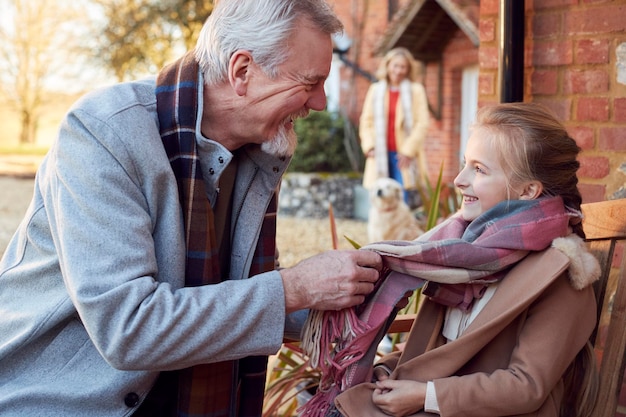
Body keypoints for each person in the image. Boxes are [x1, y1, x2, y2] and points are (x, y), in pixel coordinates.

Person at [0, 1, 383, 416]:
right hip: (55, 402)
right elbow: (128, 330)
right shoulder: (104, 133)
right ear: (242, 71)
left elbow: (231, 295)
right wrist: (295, 288)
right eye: (311, 82)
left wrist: (346, 306)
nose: (321, 102)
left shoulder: (258, 153)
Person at [301, 102, 600, 417]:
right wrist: (390, 370)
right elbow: (448, 353)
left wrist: (426, 395)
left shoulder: (560, 273)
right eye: (464, 164)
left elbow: (526, 386)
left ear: (528, 190)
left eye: (479, 169)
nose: (459, 179)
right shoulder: (463, 258)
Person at [359, 47, 430, 202]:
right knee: (380, 199)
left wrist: (408, 151)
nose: (398, 70)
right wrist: (369, 145)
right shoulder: (375, 90)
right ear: (388, 65)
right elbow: (366, 121)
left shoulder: (416, 91)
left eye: (402, 66)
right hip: (379, 153)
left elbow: (422, 123)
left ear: (408, 69)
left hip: (402, 155)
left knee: (400, 198)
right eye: (395, 65)